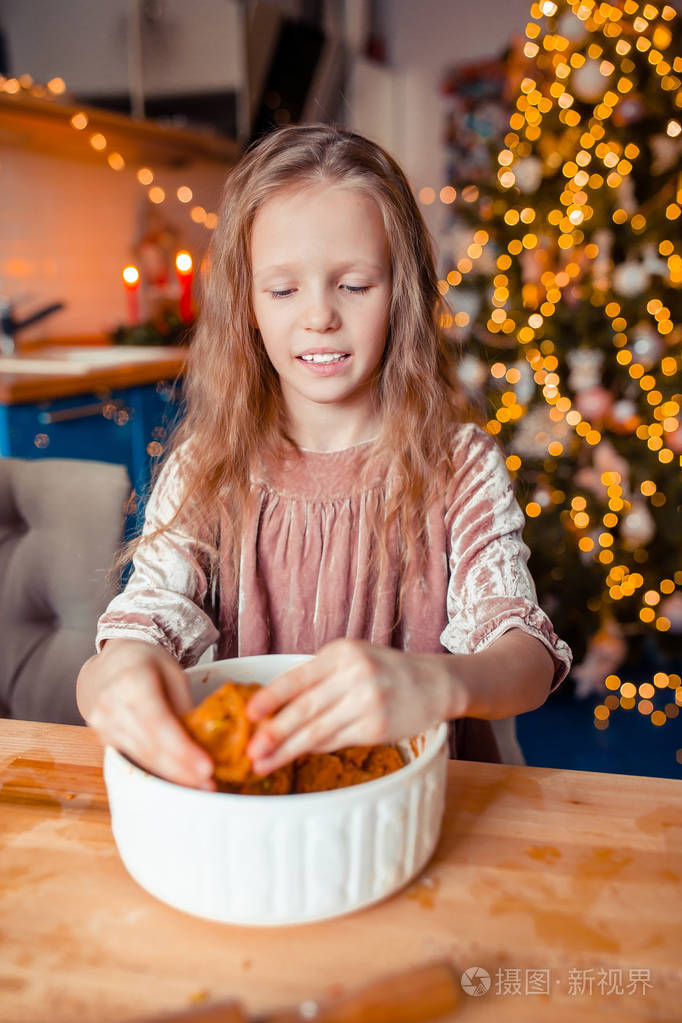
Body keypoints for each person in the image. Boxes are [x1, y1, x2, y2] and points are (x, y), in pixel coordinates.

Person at [77, 123, 572, 791]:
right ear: (246, 303)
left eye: (355, 285)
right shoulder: (207, 467)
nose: (319, 316)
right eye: (283, 289)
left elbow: (528, 660)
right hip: (256, 809)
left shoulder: (459, 466)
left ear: (401, 293)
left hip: (434, 805)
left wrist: (437, 681)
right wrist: (113, 674)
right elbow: (146, 616)